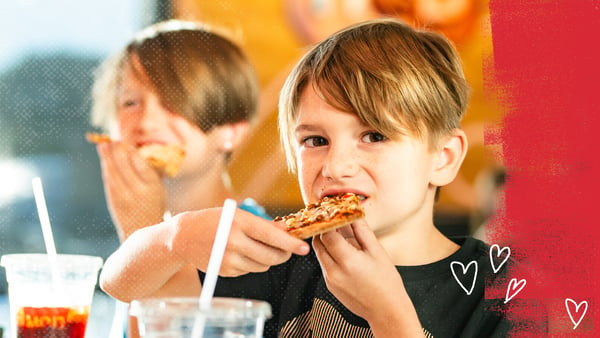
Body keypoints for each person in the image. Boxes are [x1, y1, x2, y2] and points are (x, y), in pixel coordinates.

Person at [100, 18, 537, 337]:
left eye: (373, 135)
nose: (336, 165)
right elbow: (126, 287)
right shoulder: (278, 261)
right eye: (315, 141)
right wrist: (174, 236)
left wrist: (389, 315)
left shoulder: (507, 292)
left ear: (442, 158)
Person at [89, 19, 269, 336]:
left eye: (174, 101)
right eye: (130, 102)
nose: (146, 120)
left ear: (230, 131)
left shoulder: (250, 244)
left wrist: (140, 231)